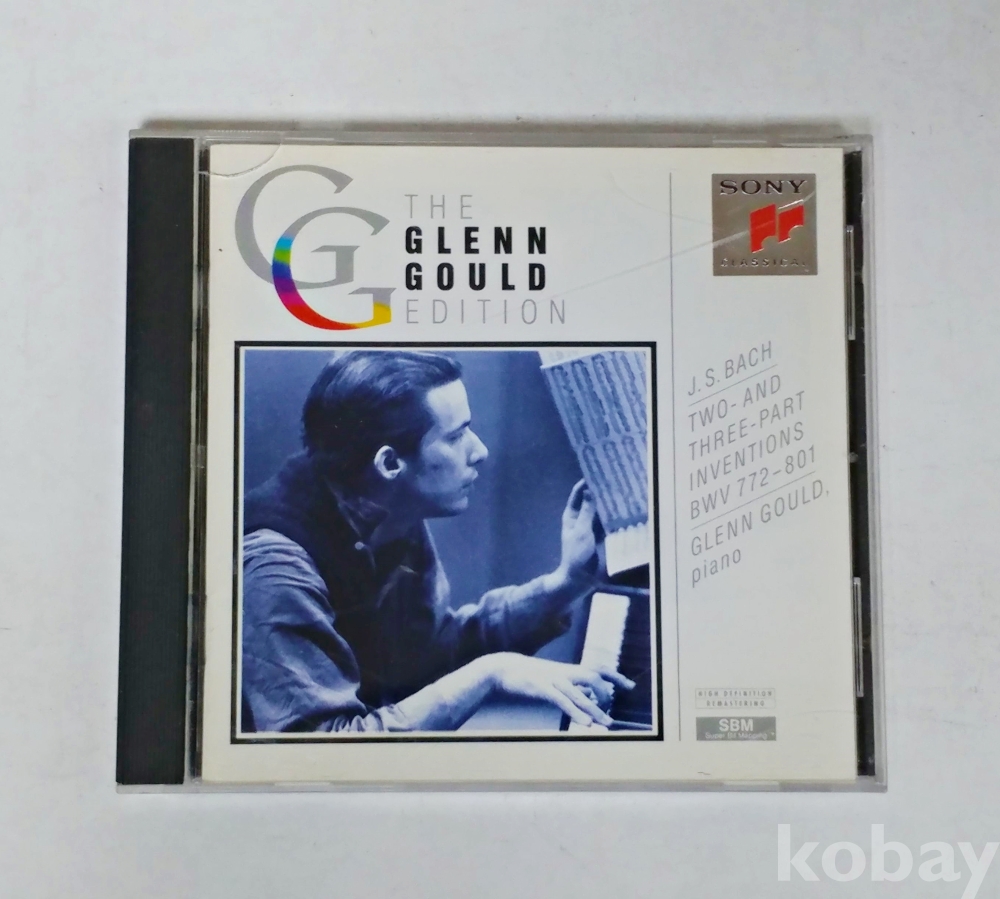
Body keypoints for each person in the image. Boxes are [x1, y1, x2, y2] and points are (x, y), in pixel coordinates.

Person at [241, 349, 633, 733]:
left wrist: (567, 583)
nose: (479, 451)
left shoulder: (387, 508)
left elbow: (430, 655)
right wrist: (493, 672)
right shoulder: (275, 568)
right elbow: (323, 750)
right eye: (457, 436)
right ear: (390, 464)